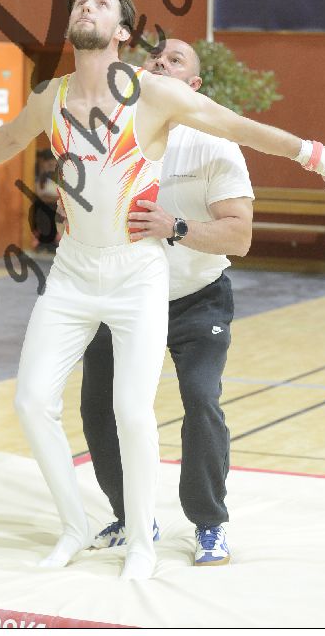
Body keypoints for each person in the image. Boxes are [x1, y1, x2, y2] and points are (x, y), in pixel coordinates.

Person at [0, 0, 325, 580]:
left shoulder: (152, 94)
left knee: (132, 411)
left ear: (121, 32)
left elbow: (239, 126)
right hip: (73, 273)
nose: (86, 5)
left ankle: (142, 541)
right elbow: (8, 138)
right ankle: (74, 526)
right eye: (81, 1)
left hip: (137, 273)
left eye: (101, 3)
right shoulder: (50, 96)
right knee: (31, 401)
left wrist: (322, 159)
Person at [80, 37, 253, 567]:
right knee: (97, 407)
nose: (160, 61)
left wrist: (173, 226)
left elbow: (239, 236)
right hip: (124, 297)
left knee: (200, 399)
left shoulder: (215, 144)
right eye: (154, 56)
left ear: (193, 86)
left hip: (197, 299)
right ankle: (133, 517)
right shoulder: (112, 137)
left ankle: (209, 522)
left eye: (175, 60)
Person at [30, 148, 62, 251]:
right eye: (48, 163)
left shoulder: (60, 176)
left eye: (53, 163)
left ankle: (51, 242)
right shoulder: (39, 176)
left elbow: (62, 195)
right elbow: (39, 194)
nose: (51, 165)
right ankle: (44, 241)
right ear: (43, 163)